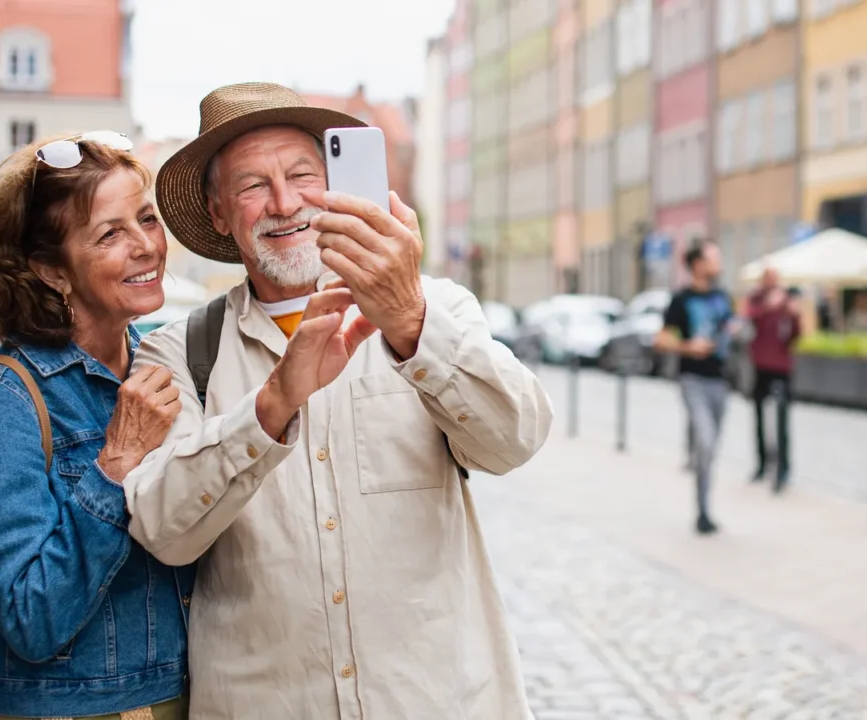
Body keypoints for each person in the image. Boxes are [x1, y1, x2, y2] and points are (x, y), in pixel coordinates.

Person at [122, 82, 554, 718]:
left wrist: (409, 321)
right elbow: (164, 533)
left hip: (434, 698)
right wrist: (273, 404)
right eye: (252, 185)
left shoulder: (436, 308)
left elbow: (513, 440)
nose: (284, 201)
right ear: (218, 214)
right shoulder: (179, 353)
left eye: (303, 175)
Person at [0, 132, 193, 719]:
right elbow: (30, 615)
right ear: (51, 270)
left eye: (146, 219)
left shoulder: (169, 364)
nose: (146, 246)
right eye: (110, 233)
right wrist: (115, 465)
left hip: (187, 698)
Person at [655, 240, 736, 535]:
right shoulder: (681, 300)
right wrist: (689, 347)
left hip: (720, 381)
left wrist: (733, 331)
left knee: (711, 449)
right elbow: (661, 340)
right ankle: (702, 511)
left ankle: (704, 508)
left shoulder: (724, 297)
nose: (719, 262)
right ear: (698, 264)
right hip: (693, 380)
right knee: (706, 440)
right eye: (714, 257)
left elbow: (729, 325)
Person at [746, 270, 801, 491]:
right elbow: (749, 319)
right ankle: (762, 464)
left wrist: (793, 313)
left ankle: (784, 468)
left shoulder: (787, 302)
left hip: (782, 367)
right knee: (759, 417)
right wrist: (768, 306)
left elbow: (796, 334)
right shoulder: (756, 299)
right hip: (760, 366)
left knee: (783, 420)